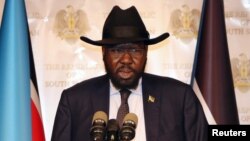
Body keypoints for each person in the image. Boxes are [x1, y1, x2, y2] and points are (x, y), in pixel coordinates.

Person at [51, 5, 208, 141]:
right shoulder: (74, 101)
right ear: (103, 52)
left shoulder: (179, 98)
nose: (126, 59)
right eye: (117, 50)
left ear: (146, 52)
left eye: (134, 50)